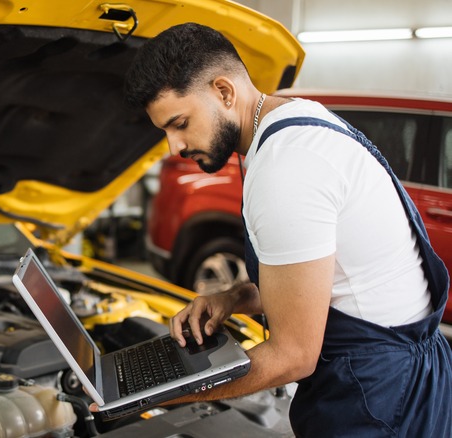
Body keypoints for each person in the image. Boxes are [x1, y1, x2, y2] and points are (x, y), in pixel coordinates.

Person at [119, 23, 452, 436]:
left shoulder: (286, 168)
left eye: (181, 123)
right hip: (395, 375)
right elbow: (322, 284)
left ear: (224, 92)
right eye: (165, 131)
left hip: (379, 397)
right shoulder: (298, 118)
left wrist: (161, 393)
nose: (175, 147)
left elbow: (293, 356)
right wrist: (233, 298)